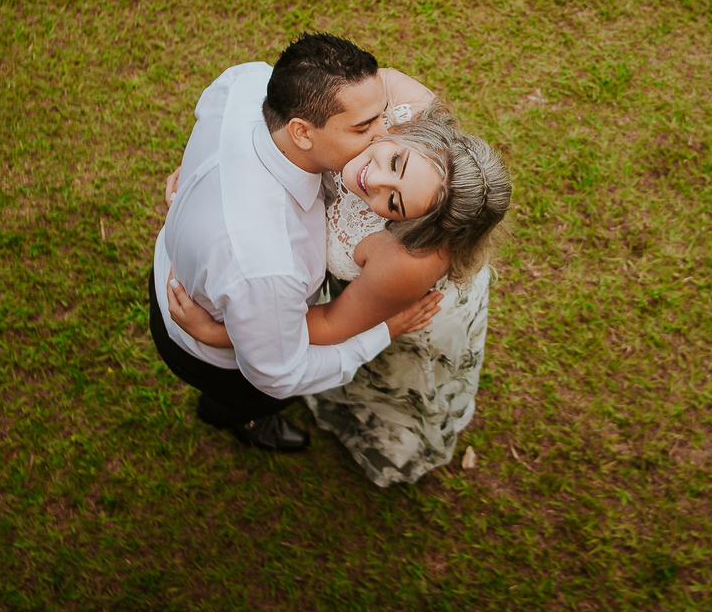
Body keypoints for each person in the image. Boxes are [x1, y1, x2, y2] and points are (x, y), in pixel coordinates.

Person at [169, 101, 512, 486]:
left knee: (379, 383)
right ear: (411, 133)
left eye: (394, 203)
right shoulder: (395, 102)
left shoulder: (407, 259)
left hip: (385, 304)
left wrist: (225, 334)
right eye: (395, 162)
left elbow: (334, 322)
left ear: (412, 226)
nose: (374, 180)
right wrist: (206, 165)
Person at [149, 32, 443, 454]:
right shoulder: (268, 262)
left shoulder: (247, 81)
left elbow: (211, 117)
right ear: (302, 133)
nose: (384, 135)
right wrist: (384, 331)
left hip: (186, 269)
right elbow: (279, 373)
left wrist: (196, 172)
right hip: (205, 344)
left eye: (380, 115)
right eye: (363, 127)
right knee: (242, 401)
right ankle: (243, 419)